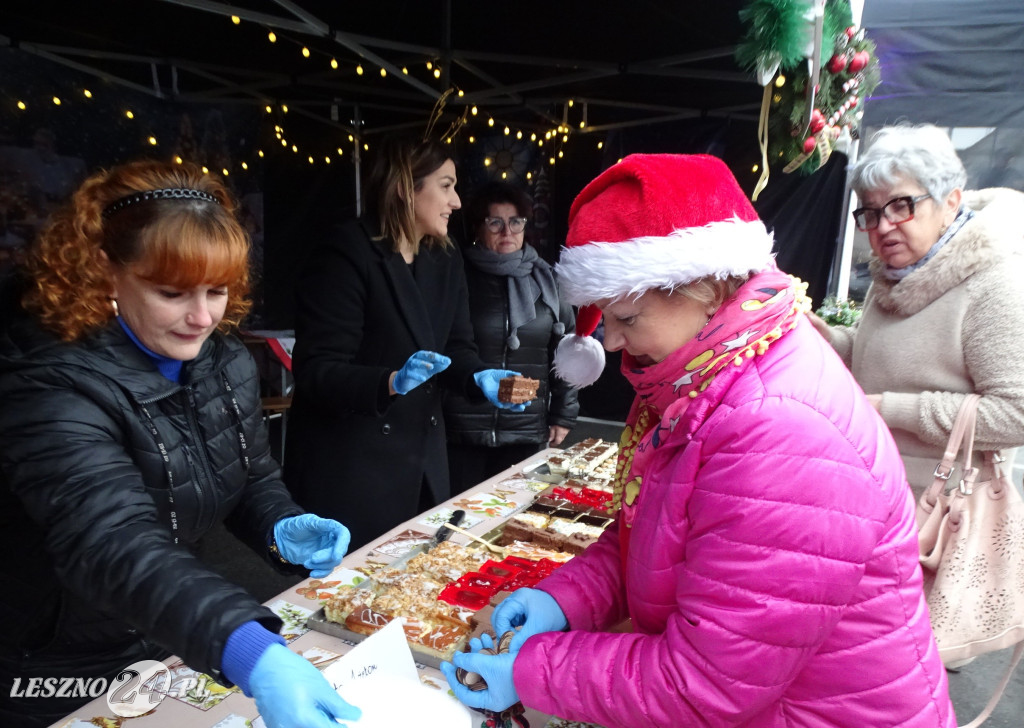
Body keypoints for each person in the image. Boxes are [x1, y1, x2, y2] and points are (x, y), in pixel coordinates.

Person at [441, 154, 956, 727]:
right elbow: (650, 535)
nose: (609, 341)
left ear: (706, 288)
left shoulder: (779, 430)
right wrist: (564, 601)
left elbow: (708, 682)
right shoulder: (702, 373)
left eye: (627, 318)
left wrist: (534, 670)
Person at [0, 160, 360, 728]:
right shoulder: (50, 384)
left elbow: (249, 476)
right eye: (171, 292)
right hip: (50, 653)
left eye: (217, 291)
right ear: (106, 272)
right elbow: (110, 539)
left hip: (164, 628)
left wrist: (278, 522)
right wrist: (247, 649)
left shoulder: (223, 361)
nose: (201, 317)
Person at [285, 137, 528, 550]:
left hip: (422, 461)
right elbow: (316, 370)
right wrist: (389, 381)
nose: (455, 202)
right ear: (405, 187)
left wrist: (479, 377)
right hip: (352, 469)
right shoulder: (347, 251)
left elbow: (456, 348)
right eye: (446, 185)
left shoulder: (446, 256)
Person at [809, 123, 1024, 498]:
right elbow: (888, 356)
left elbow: (1016, 414)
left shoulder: (992, 282)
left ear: (950, 202)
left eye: (900, 205)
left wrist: (889, 409)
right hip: (875, 491)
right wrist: (828, 339)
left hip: (945, 514)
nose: (883, 226)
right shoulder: (894, 274)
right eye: (871, 213)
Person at [443, 182, 579, 493]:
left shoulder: (548, 281)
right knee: (456, 524)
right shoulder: (457, 277)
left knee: (513, 523)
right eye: (495, 222)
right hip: (463, 431)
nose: (507, 231)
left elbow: (568, 351)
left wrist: (563, 413)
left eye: (515, 221)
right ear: (479, 228)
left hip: (526, 431)